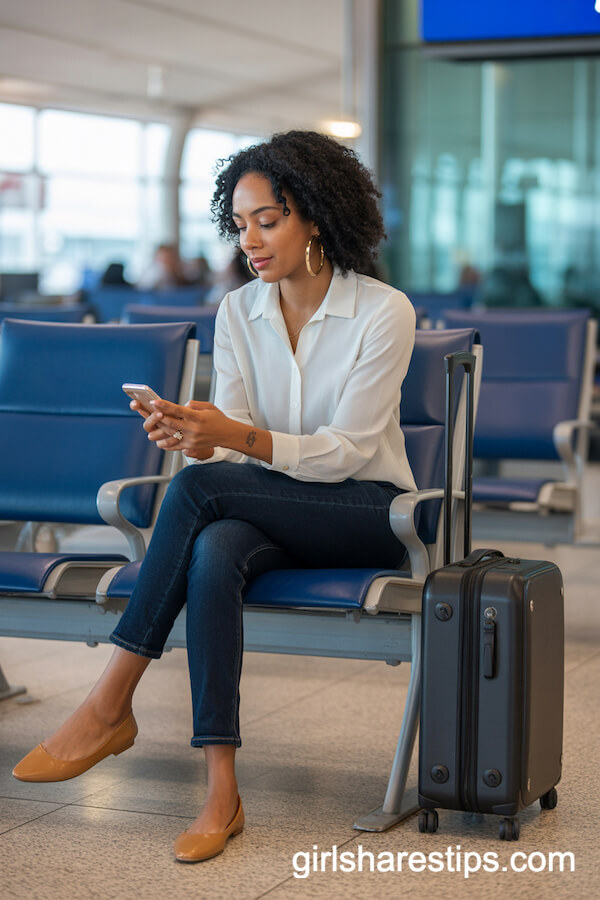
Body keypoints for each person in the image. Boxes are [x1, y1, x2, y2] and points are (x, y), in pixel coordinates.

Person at [12, 130, 417, 863]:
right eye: (241, 224)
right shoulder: (239, 313)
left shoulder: (382, 311)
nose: (251, 240)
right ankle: (220, 790)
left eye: (270, 220)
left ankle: (109, 703)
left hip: (366, 510)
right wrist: (204, 438)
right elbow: (235, 446)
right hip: (269, 505)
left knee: (201, 494)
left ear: (316, 216)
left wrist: (231, 445)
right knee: (214, 546)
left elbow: (350, 451)